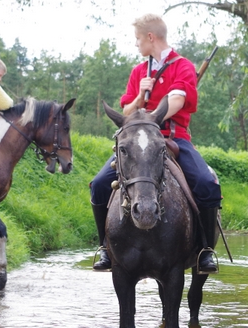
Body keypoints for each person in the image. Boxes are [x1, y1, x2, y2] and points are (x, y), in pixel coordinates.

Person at [89, 14, 222, 274]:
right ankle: (105, 247)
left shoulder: (182, 66)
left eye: (138, 39)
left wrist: (150, 120)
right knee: (100, 184)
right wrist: (140, 95)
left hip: (173, 138)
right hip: (136, 141)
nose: (136, 44)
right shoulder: (138, 71)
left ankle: (205, 250)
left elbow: (177, 102)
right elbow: (127, 111)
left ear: (150, 37)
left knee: (207, 184)